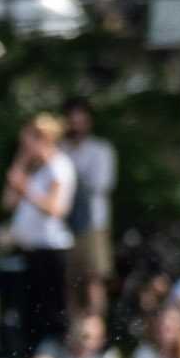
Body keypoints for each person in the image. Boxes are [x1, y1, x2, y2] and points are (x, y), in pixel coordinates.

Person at [3, 114, 78, 358]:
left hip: (51, 250)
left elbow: (57, 209)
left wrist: (28, 190)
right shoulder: (37, 170)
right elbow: (8, 203)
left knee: (52, 315)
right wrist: (20, 163)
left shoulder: (60, 167)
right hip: (31, 250)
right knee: (29, 315)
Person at [63, 99, 118, 319]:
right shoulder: (60, 148)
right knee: (68, 281)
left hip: (94, 223)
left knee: (93, 279)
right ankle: (74, 334)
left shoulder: (101, 149)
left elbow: (102, 184)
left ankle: (96, 331)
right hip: (65, 224)